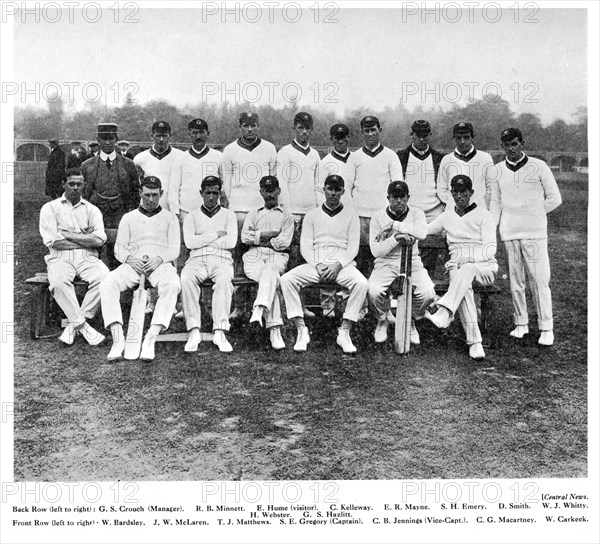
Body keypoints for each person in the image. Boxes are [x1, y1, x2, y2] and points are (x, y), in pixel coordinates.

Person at [489, 127, 562, 346]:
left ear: (522, 144)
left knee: (539, 280)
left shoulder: (539, 166)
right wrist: (492, 228)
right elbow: (495, 202)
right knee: (516, 281)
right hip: (510, 232)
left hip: (535, 233)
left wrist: (533, 213)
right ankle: (521, 323)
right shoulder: (497, 170)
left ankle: (546, 327)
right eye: (506, 145)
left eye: (514, 144)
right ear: (502, 146)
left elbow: (554, 198)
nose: (511, 149)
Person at [280, 175, 368, 354]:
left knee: (361, 283)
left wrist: (338, 264)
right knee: (287, 279)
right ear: (324, 190)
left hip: (342, 266)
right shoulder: (312, 215)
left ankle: (344, 331)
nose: (333, 193)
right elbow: (305, 245)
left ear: (343, 191)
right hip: (316, 265)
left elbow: (353, 248)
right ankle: (301, 329)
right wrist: (317, 264)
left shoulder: (351, 216)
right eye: (330, 189)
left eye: (337, 190)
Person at [100, 176, 181, 361]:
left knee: (172, 284)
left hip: (160, 266)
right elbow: (119, 248)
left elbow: (174, 249)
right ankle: (118, 338)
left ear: (161, 194)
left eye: (155, 195)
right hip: (133, 266)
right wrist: (130, 259)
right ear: (140, 193)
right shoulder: (129, 218)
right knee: (108, 284)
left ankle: (151, 337)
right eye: (147, 195)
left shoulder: (170, 218)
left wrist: (159, 259)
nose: (151, 200)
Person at [425, 175, 498, 360]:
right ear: (451, 193)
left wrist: (467, 258)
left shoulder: (484, 215)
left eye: (463, 192)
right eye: (455, 192)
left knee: (466, 271)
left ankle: (445, 310)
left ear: (471, 193)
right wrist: (395, 225)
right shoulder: (446, 217)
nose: (459, 196)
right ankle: (475, 343)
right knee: (462, 282)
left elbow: (490, 249)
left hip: (484, 268)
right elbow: (422, 230)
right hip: (457, 269)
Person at [39, 168, 109, 345]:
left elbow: (100, 240)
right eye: (71, 184)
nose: (75, 188)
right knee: (58, 282)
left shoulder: (92, 210)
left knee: (106, 279)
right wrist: (85, 238)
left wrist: (68, 235)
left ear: (84, 185)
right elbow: (53, 242)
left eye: (79, 184)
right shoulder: (50, 208)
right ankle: (82, 326)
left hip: (87, 257)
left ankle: (72, 326)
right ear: (64, 185)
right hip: (60, 257)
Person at [368, 181, 436, 345]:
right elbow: (376, 251)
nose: (399, 201)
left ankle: (410, 319)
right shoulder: (378, 217)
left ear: (408, 198)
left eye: (402, 197)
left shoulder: (417, 213)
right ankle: (383, 319)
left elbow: (421, 233)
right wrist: (396, 238)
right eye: (395, 197)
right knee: (374, 291)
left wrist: (395, 225)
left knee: (427, 293)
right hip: (386, 263)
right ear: (388, 198)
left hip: (413, 262)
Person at [181, 176, 238, 353]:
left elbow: (231, 242)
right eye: (208, 193)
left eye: (215, 193)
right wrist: (215, 235)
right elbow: (190, 242)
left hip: (221, 259)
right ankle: (194, 330)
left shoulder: (229, 215)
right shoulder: (192, 216)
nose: (211, 197)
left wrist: (203, 240)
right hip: (197, 259)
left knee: (224, 279)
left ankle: (220, 330)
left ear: (220, 193)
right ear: (201, 193)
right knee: (186, 278)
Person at [241, 175, 295, 350]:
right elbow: (244, 238)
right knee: (270, 277)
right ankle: (274, 329)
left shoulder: (286, 215)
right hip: (254, 256)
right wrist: (268, 235)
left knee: (270, 270)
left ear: (278, 191)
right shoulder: (253, 213)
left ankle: (259, 311)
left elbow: (283, 243)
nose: (270, 194)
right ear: (261, 192)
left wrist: (256, 237)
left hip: (278, 256)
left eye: (273, 190)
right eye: (266, 190)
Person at [81, 122, 140, 269]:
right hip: (96, 214)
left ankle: (119, 286)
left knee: (118, 253)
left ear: (116, 139)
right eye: (103, 139)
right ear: (98, 140)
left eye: (111, 138)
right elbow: (84, 195)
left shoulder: (128, 164)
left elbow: (135, 193)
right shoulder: (87, 165)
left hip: (120, 213)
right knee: (94, 254)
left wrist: (130, 214)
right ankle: (95, 286)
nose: (107, 143)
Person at [346, 116, 403, 255]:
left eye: (373, 130)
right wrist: (350, 212)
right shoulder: (354, 157)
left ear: (380, 130)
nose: (370, 134)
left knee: (382, 254)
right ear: (362, 132)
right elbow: (346, 187)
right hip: (359, 216)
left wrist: (392, 215)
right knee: (360, 254)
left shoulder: (391, 156)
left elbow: (398, 186)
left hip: (383, 215)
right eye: (367, 130)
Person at [397, 119, 446, 277]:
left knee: (430, 255)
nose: (422, 139)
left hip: (433, 212)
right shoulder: (401, 157)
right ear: (412, 135)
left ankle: (427, 293)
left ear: (429, 135)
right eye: (418, 135)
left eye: (425, 135)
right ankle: (408, 292)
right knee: (407, 253)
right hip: (410, 212)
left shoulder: (439, 158)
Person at [169, 118, 224, 223]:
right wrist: (175, 212)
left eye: (202, 133)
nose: (198, 137)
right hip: (186, 212)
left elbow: (224, 186)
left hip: (213, 213)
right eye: (195, 133)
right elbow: (173, 188)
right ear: (189, 134)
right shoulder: (180, 158)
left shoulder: (219, 157)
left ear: (208, 133)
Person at [438, 122, 495, 210]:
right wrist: (453, 205)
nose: (462, 141)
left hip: (479, 211)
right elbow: (441, 189)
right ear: (454, 138)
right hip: (455, 212)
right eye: (459, 138)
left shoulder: (485, 158)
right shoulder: (447, 160)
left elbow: (491, 188)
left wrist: (483, 207)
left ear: (472, 137)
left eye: (466, 137)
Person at [133, 121, 184, 212]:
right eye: (158, 136)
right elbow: (135, 188)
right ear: (152, 135)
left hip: (173, 210)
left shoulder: (181, 157)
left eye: (164, 136)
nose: (161, 139)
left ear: (170, 135)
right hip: (148, 210)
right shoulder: (140, 158)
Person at [317, 123, 354, 208]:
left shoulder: (356, 159)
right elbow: (319, 190)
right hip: (335, 210)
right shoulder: (324, 163)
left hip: (354, 211)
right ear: (331, 139)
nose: (340, 141)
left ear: (348, 137)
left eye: (343, 138)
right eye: (337, 138)